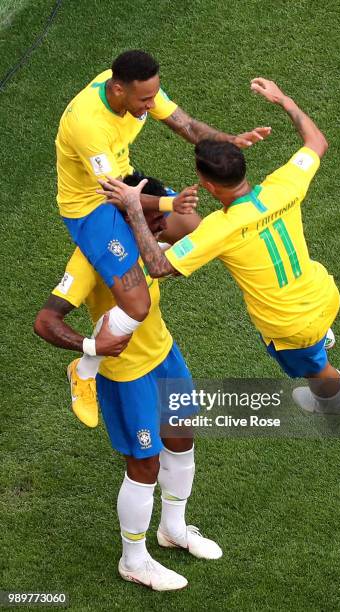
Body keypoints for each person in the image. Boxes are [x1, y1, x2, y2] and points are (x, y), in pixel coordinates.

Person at [97, 78, 340, 414]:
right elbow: (317, 141)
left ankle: (333, 402)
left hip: (291, 323)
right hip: (322, 291)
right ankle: (320, 340)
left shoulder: (219, 229)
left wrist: (134, 207)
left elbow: (159, 267)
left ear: (207, 185)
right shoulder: (283, 185)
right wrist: (284, 100)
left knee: (315, 368)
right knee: (313, 338)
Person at [56, 49, 271, 423]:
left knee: (197, 230)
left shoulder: (136, 88)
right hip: (92, 207)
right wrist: (169, 205)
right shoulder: (87, 125)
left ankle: (138, 255)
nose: (151, 105)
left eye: (154, 96)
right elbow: (118, 197)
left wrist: (228, 142)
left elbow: (185, 126)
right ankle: (85, 370)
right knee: (138, 305)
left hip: (126, 182)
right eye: (145, 100)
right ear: (118, 89)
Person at [34, 179, 222, 592]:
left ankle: (173, 529)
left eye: (158, 221)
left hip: (164, 355)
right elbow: (45, 321)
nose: (158, 228)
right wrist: (90, 345)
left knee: (181, 436)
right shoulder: (90, 257)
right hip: (125, 374)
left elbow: (192, 225)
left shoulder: (147, 225)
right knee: (144, 465)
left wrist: (153, 210)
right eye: (154, 220)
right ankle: (133, 560)